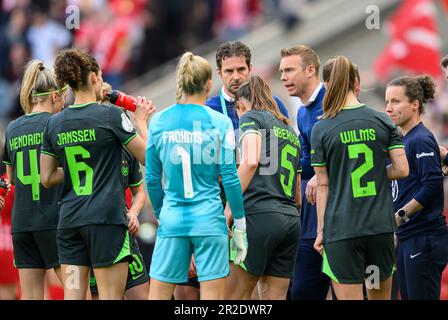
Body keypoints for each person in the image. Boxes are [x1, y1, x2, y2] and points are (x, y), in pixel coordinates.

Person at [40, 48, 152, 300]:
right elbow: (148, 157)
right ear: (92, 76)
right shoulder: (111, 115)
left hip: (69, 223)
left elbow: (46, 177)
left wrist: (75, 170)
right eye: (100, 76)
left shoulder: (54, 123)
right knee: (110, 295)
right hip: (106, 222)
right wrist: (142, 122)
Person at [146, 52, 247, 300]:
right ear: (208, 83)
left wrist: (162, 214)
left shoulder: (158, 121)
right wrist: (241, 224)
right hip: (210, 220)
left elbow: (151, 178)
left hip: (172, 219)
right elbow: (230, 177)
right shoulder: (220, 122)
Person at [310, 56, 409, 300]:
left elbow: (323, 185)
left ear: (327, 85)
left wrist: (320, 231)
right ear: (357, 82)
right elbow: (402, 169)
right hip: (380, 229)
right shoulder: (382, 120)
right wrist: (376, 174)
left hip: (342, 231)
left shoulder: (321, 128)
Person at [224, 75, 302, 300]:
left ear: (240, 104)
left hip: (259, 216)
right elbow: (297, 194)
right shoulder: (291, 131)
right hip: (290, 219)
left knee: (233, 298)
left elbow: (249, 161)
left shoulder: (251, 118)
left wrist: (229, 208)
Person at [2, 60, 66, 299]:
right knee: (77, 292)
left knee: (30, 296)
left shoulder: (12, 129)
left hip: (22, 225)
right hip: (53, 221)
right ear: (53, 96)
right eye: (62, 98)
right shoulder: (56, 123)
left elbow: (11, 179)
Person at [386, 75, 448, 300]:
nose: (389, 108)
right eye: (387, 102)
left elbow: (432, 184)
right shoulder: (405, 140)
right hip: (408, 236)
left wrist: (401, 214)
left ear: (414, 104)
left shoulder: (420, 138)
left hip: (424, 236)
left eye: (395, 101)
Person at [88, 82, 152, 300]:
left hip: (125, 232)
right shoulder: (89, 148)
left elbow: (140, 192)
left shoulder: (127, 148)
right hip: (98, 232)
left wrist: (133, 212)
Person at [279, 45, 330, 300]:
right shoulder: (301, 112)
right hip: (310, 218)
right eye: (281, 71)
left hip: (340, 217)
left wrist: (321, 176)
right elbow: (307, 161)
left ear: (310, 70)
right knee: (302, 292)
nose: (283, 77)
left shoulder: (334, 102)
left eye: (289, 70)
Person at [207, 41, 289, 137]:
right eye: (229, 71)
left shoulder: (273, 104)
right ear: (219, 73)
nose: (236, 77)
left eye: (241, 69)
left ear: (249, 69)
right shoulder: (209, 110)